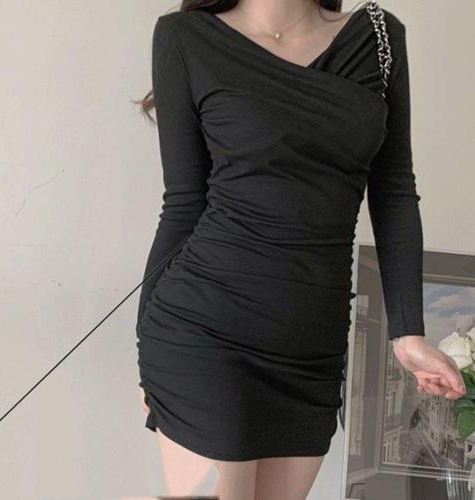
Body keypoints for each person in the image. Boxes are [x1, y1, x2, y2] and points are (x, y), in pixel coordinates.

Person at [135, 1, 466, 498]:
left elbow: (395, 191)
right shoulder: (184, 37)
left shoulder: (377, 36)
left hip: (311, 350)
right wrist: (144, 348)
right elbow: (183, 204)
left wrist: (408, 333)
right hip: (204, 332)